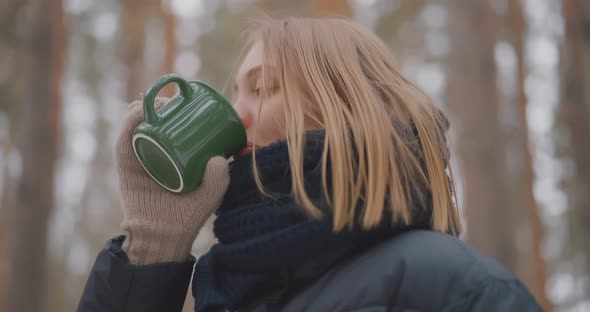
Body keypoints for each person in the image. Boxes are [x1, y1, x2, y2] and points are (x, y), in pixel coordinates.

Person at [77, 16, 541, 312]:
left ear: (344, 106)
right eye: (237, 92)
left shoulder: (451, 288)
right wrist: (153, 247)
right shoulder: (227, 288)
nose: (238, 115)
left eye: (262, 89)